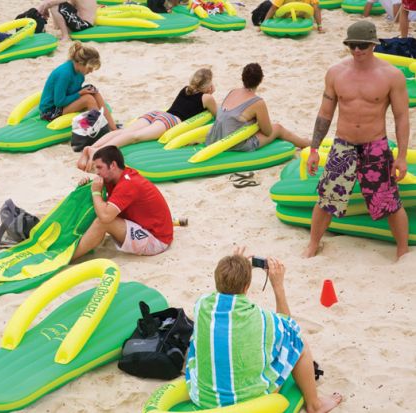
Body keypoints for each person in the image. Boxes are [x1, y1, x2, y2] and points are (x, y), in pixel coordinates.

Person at [185, 248, 342, 413]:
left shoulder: (201, 305)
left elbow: (222, 291)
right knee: (299, 342)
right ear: (247, 286)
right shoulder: (262, 319)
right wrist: (278, 286)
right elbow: (289, 328)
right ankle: (315, 405)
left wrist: (236, 270)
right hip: (249, 403)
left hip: (203, 399)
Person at [304, 21, 410, 259]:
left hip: (376, 145)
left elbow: (402, 117)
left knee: (389, 201)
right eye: (352, 45)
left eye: (362, 45)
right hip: (343, 144)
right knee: (326, 198)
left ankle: (402, 250)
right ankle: (313, 244)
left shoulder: (391, 75)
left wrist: (402, 156)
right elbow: (325, 114)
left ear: (373, 44)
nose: (357, 50)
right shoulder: (336, 73)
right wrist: (313, 149)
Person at [77, 67, 217, 171]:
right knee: (135, 136)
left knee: (123, 132)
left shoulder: (186, 89)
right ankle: (98, 151)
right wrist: (211, 93)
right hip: (170, 120)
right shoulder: (207, 97)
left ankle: (92, 147)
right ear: (208, 85)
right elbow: (217, 114)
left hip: (156, 114)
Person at [71, 146, 173, 260]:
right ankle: (76, 244)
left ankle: (68, 257)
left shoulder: (128, 184)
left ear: (113, 165)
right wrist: (85, 186)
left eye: (100, 168)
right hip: (144, 226)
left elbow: (105, 217)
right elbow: (96, 200)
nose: (97, 173)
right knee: (98, 205)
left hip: (156, 240)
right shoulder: (115, 177)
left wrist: (95, 192)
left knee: (103, 221)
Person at [205, 63, 309, 152]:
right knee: (278, 128)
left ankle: (302, 141)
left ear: (242, 78)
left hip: (215, 138)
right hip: (233, 143)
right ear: (261, 80)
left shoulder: (233, 92)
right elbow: (268, 131)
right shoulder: (258, 102)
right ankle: (304, 143)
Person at [39, 42, 117, 131]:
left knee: (93, 91)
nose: (91, 71)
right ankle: (101, 130)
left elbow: (71, 90)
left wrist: (84, 91)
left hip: (63, 105)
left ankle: (114, 129)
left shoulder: (79, 72)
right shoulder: (65, 73)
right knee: (88, 99)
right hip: (50, 111)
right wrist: (80, 93)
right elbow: (59, 102)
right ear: (80, 63)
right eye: (90, 68)